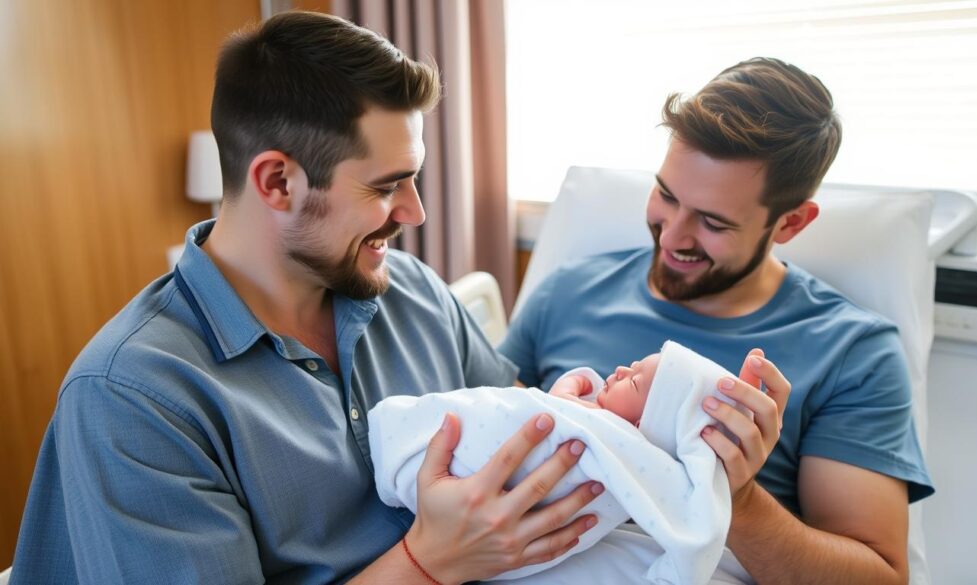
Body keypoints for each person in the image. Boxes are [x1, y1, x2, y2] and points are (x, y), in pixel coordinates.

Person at [9, 12, 604, 584]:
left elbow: (530, 432)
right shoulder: (136, 399)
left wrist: (623, 422)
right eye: (385, 186)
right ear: (277, 181)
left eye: (413, 178)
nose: (414, 212)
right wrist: (429, 563)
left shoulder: (415, 294)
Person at [500, 57, 934, 584]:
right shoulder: (567, 292)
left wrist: (738, 497)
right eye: (666, 195)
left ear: (791, 222)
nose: (673, 236)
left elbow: (879, 578)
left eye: (712, 222)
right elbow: (482, 439)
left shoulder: (851, 353)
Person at [369, 340, 741, 584]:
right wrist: (566, 398)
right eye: (633, 365)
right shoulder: (596, 419)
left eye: (636, 383)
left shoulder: (632, 450)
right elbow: (538, 406)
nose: (623, 370)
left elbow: (694, 534)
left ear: (644, 425)